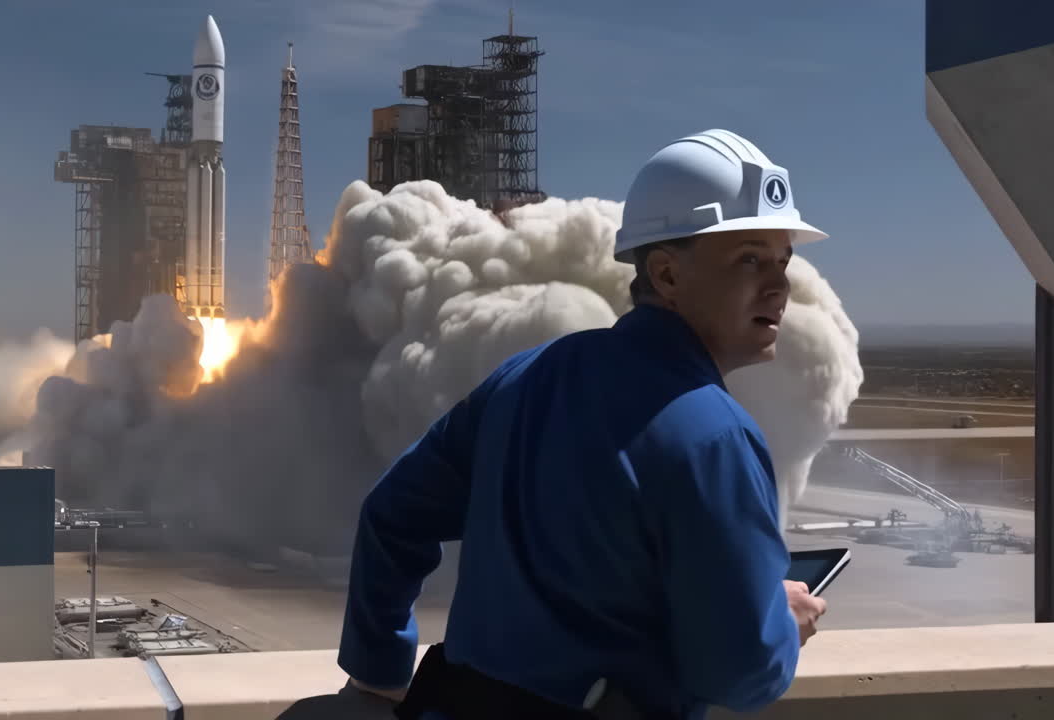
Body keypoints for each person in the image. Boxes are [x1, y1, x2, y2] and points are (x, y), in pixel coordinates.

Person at [337, 129, 830, 719]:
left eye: (783, 260)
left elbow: (392, 514)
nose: (779, 285)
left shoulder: (525, 377)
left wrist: (380, 673)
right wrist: (782, 624)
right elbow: (739, 671)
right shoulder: (716, 436)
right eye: (749, 258)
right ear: (668, 275)